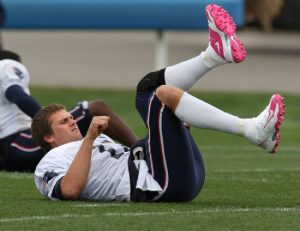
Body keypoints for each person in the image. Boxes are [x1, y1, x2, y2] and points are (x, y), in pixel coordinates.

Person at [32, 4, 285, 202]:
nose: (73, 122)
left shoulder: (96, 144)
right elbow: (70, 190)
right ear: (48, 138)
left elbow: (129, 157)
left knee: (146, 89)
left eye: (70, 117)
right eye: (64, 122)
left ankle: (214, 55)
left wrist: (165, 135)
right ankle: (252, 130)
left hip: (173, 174)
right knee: (163, 97)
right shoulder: (49, 164)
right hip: (161, 184)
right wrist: (88, 139)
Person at [0, 50, 138, 172]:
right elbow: (16, 93)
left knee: (76, 132)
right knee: (96, 108)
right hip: (20, 143)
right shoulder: (7, 64)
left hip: (13, 152)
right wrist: (44, 120)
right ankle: (142, 152)